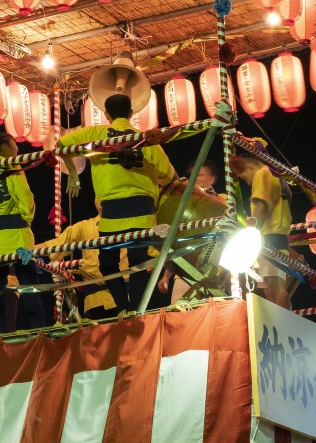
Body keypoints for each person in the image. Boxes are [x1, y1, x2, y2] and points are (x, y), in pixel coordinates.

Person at [59, 92, 177, 313]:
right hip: (143, 211)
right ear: (131, 113)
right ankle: (137, 310)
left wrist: (74, 174)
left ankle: (124, 308)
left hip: (111, 214)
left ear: (106, 114)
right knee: (139, 265)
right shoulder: (145, 138)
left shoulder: (96, 133)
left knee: (107, 263)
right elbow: (169, 175)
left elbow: (61, 143)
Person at [0, 132, 46, 334]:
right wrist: (26, 217)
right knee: (28, 282)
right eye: (14, 142)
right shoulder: (12, 165)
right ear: (5, 146)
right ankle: (39, 329)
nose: (17, 146)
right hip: (17, 233)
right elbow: (24, 195)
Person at [228, 139, 293, 310]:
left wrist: (251, 230)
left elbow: (260, 206)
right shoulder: (276, 176)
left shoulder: (262, 173)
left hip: (269, 236)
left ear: (247, 163)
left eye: (242, 175)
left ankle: (283, 327)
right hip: (277, 236)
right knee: (269, 289)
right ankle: (279, 324)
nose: (246, 181)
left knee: (275, 288)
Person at [36, 203, 126, 320]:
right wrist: (27, 251)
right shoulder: (84, 226)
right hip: (97, 299)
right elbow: (56, 244)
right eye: (98, 195)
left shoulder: (126, 222)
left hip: (126, 293)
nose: (102, 200)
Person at [156, 158, 227, 302]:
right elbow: (177, 245)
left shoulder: (224, 201)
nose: (196, 178)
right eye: (194, 174)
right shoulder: (183, 203)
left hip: (214, 271)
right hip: (185, 272)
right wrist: (165, 277)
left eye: (200, 174)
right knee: (179, 310)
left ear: (212, 178)